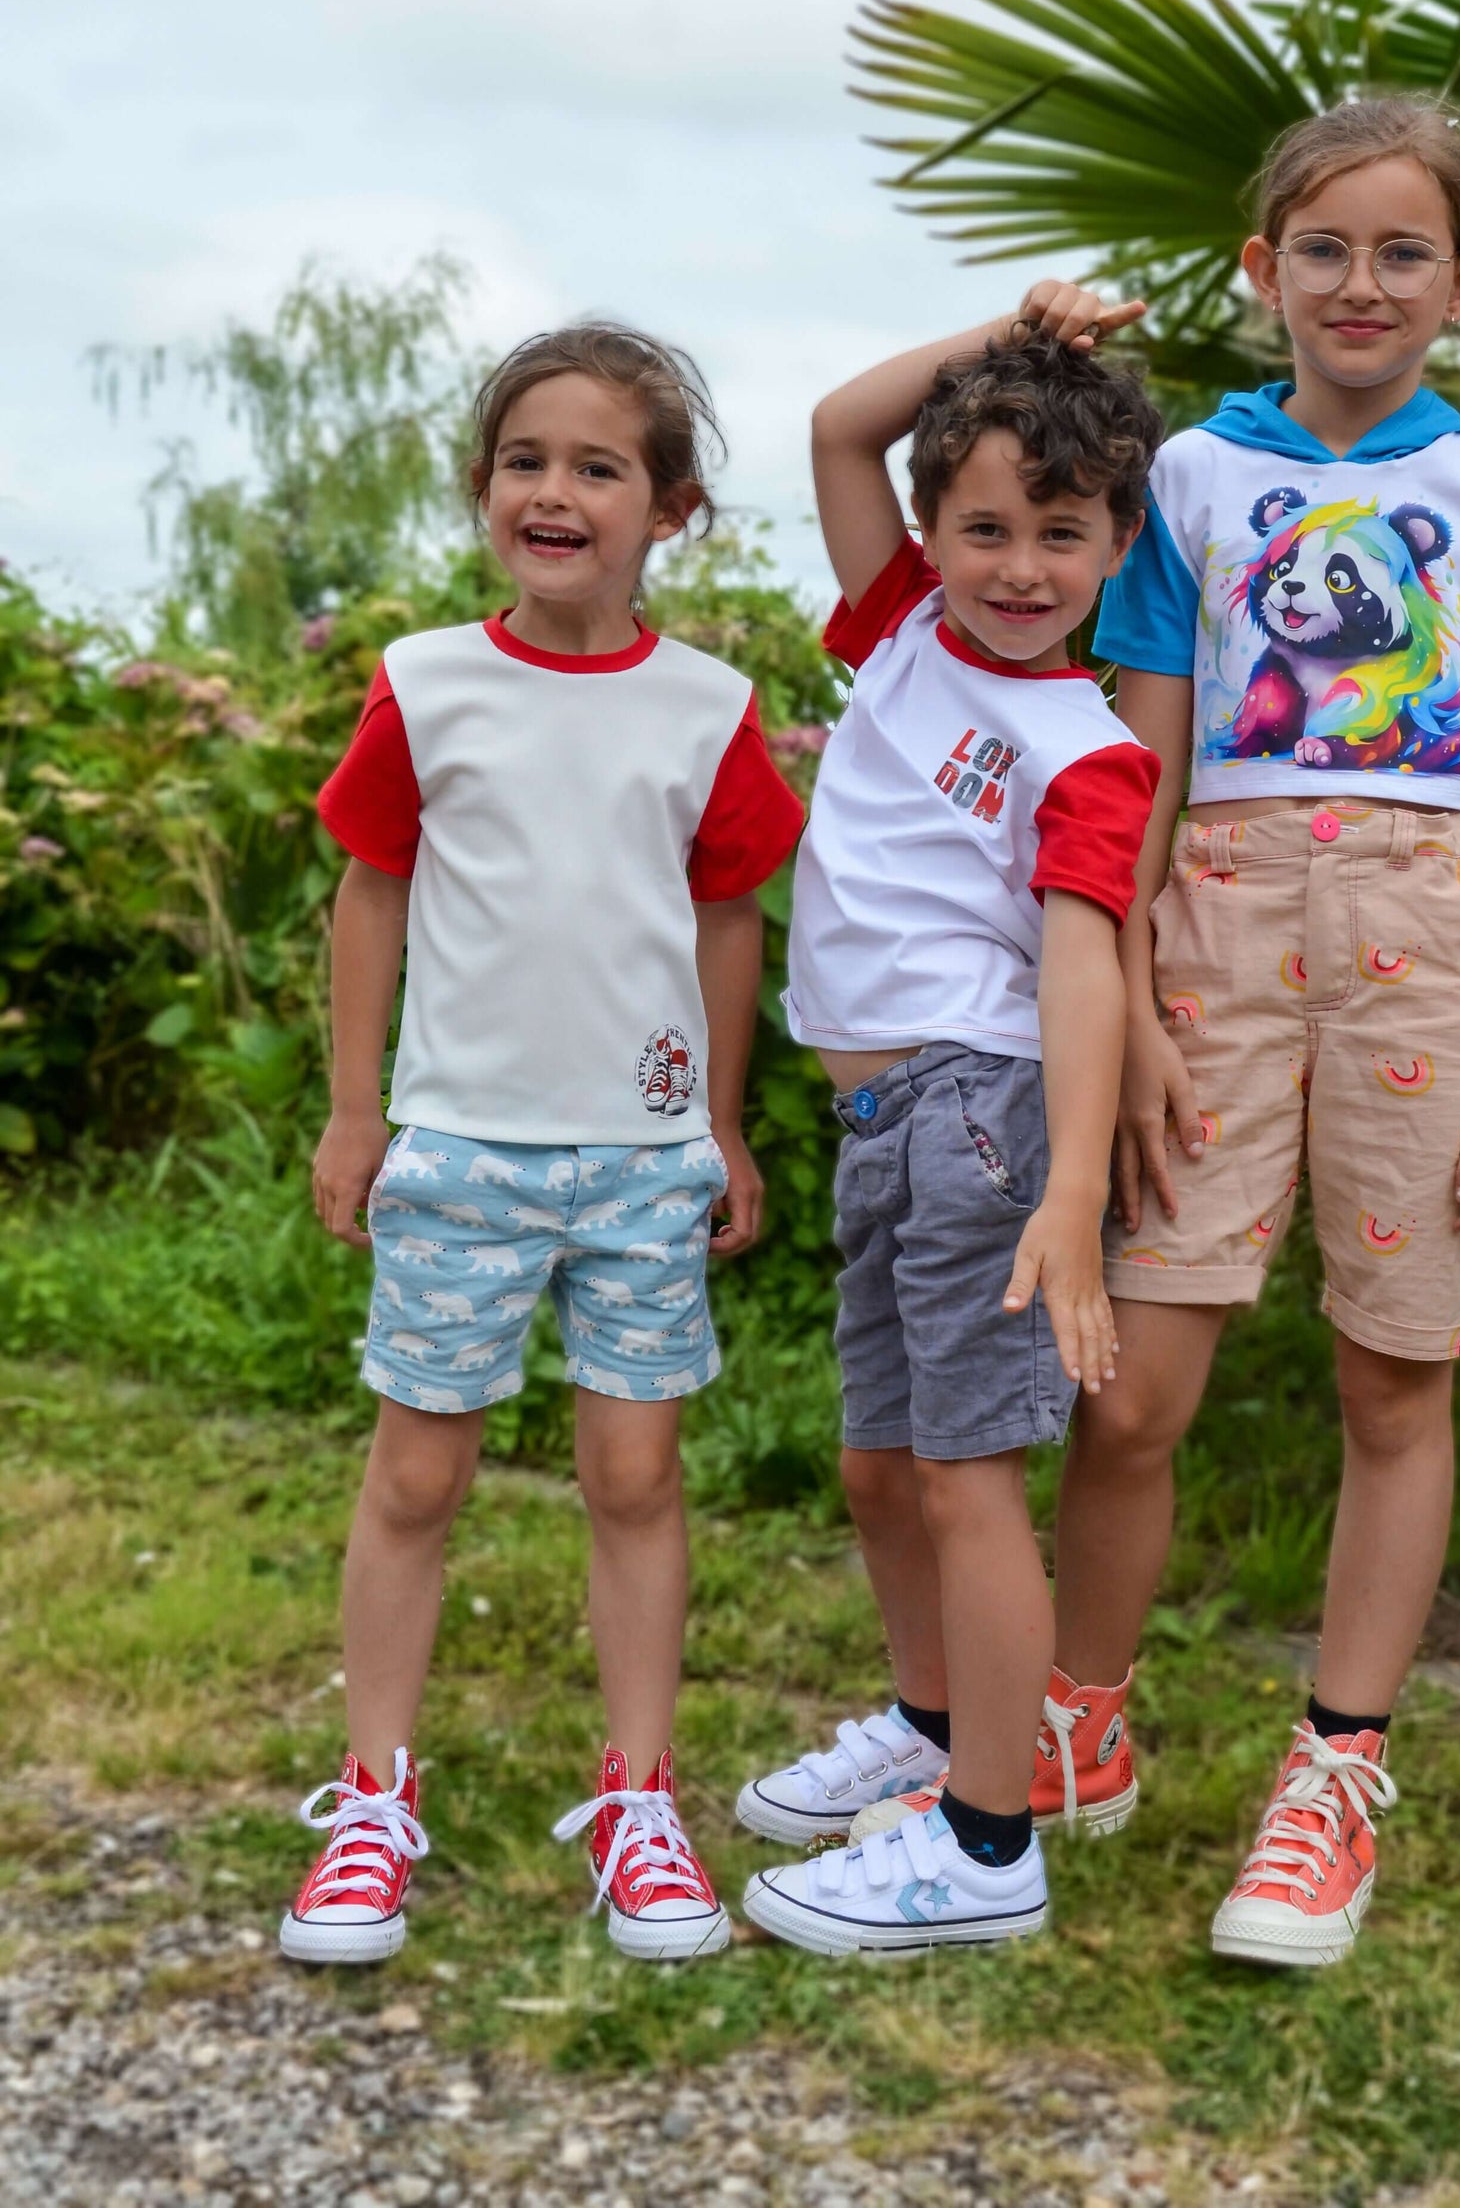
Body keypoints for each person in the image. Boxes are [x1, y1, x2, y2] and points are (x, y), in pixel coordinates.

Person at [1060, 95, 1460, 1968]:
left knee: (1396, 1374)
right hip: (1209, 934)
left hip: (1427, 953)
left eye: (1398, 253)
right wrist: (1124, 1001)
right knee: (1136, 1381)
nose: (1356, 283)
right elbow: (1131, 758)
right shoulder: (1191, 486)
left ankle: (1334, 1770)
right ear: (1259, 268)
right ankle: (1075, 1714)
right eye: (1321, 248)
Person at [279, 323, 804, 1970]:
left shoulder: (706, 705)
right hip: (459, 1150)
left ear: (672, 509)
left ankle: (641, 1796)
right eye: (527, 460)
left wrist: (719, 1122)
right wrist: (357, 1106)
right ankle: (372, 1795)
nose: (557, 490)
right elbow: (372, 893)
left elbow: (727, 918)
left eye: (600, 466)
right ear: (485, 489)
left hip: (644, 1158)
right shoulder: (427, 682)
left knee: (634, 1475)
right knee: (418, 1470)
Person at [735, 296, 1163, 1954]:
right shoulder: (901, 625)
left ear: (1117, 541)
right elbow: (844, 424)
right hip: (889, 1125)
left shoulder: (1090, 751)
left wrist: (1068, 1190)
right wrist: (1017, 331)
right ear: (931, 534)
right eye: (981, 525)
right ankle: (929, 1738)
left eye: (1062, 533)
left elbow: (1081, 972)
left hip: (981, 1118)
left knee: (970, 1479)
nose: (1018, 565)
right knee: (882, 1462)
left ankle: (986, 1846)